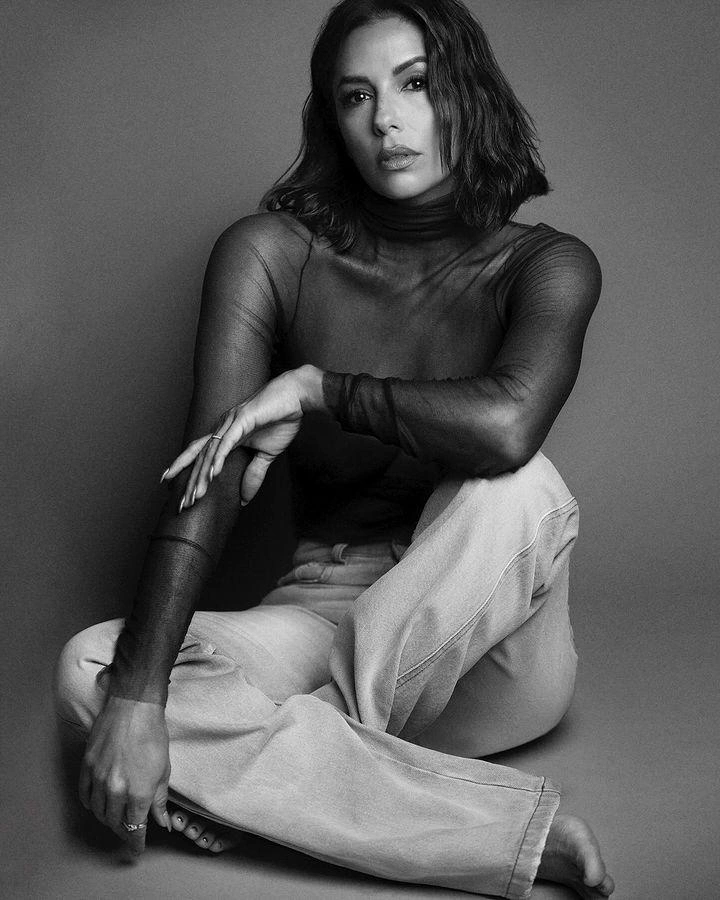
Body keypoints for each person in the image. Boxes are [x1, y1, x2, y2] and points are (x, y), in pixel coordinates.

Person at [55, 1, 615, 897]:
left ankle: (279, 765)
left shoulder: (545, 264)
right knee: (96, 667)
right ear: (332, 119)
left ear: (466, 93)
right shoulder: (272, 255)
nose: (387, 120)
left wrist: (321, 390)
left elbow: (507, 426)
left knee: (519, 484)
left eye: (416, 84)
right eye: (357, 96)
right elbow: (211, 473)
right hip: (321, 611)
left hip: (492, 645)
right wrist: (136, 698)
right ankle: (501, 832)